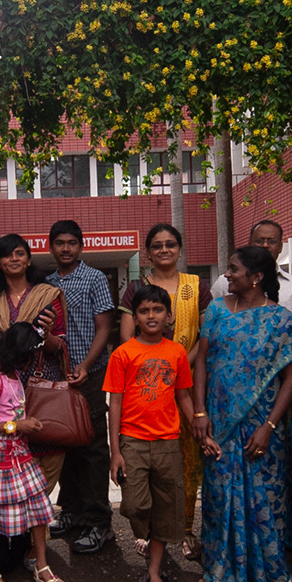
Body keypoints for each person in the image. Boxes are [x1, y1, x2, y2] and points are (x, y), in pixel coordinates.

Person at [190, 246, 292, 582]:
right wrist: (199, 412)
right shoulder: (217, 310)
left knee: (265, 499)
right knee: (220, 498)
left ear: (257, 277)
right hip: (219, 422)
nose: (227, 275)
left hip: (263, 427)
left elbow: (291, 380)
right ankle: (218, 573)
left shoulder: (281, 320)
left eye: (234, 269)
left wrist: (269, 426)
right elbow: (201, 363)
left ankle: (271, 570)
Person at [116, 222, 209, 560]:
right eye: (157, 245)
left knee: (186, 462)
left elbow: (206, 336)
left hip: (187, 383)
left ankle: (184, 528)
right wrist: (158, 368)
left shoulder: (196, 286)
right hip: (144, 385)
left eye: (170, 244)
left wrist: (178, 365)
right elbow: (127, 337)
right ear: (148, 252)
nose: (164, 250)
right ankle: (151, 530)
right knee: (147, 467)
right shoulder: (138, 288)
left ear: (180, 249)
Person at [106, 283, 196, 582]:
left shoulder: (177, 353)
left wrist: (198, 426)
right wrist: (115, 452)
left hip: (168, 442)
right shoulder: (123, 354)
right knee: (134, 505)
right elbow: (115, 404)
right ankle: (143, 536)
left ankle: (154, 572)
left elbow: (183, 395)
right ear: (135, 318)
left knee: (165, 509)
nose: (151, 315)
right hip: (132, 442)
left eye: (158, 310)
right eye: (144, 311)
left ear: (169, 316)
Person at [0, 232, 69, 488]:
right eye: (7, 255)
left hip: (41, 386)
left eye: (20, 253)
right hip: (5, 389)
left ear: (29, 260)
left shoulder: (47, 296)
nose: (14, 258)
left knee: (45, 455)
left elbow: (60, 346)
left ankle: (36, 509)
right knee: (9, 459)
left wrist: (47, 335)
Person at [0, 323, 67, 582]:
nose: (32, 361)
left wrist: (25, 424)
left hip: (20, 456)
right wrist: (16, 426)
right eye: (29, 356)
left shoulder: (14, 376)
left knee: (38, 510)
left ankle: (41, 565)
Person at [46, 220, 117, 554]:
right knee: (64, 444)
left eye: (71, 243)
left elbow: (104, 327)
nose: (66, 248)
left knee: (92, 447)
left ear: (81, 246)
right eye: (60, 243)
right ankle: (71, 511)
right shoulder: (46, 284)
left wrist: (86, 365)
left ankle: (99, 522)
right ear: (51, 247)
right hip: (58, 378)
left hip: (90, 374)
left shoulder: (95, 278)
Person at [249, 219, 292, 326]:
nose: (265, 245)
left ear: (281, 247)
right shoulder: (227, 283)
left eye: (271, 241)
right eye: (259, 241)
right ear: (250, 244)